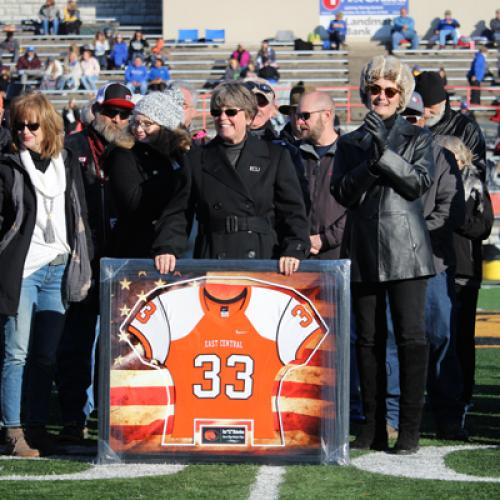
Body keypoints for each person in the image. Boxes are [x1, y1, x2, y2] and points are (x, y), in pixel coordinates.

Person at [331, 55, 435, 454]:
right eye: (375, 89)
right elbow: (341, 192)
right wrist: (373, 158)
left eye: (390, 90)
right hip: (364, 248)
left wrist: (382, 151)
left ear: (402, 94)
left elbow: (417, 184)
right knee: (368, 340)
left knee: (411, 337)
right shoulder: (349, 141)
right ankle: (373, 425)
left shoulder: (418, 136)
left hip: (407, 249)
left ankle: (409, 427)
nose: (382, 96)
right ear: (365, 93)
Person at [0, 92, 91, 456]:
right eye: (18, 124)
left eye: (32, 125)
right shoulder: (7, 164)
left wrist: (83, 259)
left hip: (58, 266)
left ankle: (35, 425)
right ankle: (12, 430)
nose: (24, 131)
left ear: (48, 126)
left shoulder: (65, 162)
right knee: (16, 352)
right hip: (22, 269)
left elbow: (79, 213)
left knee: (45, 355)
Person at [153, 81, 310, 276]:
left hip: (263, 260)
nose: (222, 118)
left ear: (249, 116)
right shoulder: (196, 158)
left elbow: (293, 211)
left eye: (231, 112)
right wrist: (167, 248)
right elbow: (178, 211)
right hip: (212, 258)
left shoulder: (275, 156)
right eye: (216, 112)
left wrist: (294, 248)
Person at [385, 92, 467, 441]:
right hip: (389, 262)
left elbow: (452, 211)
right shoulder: (382, 155)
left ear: (426, 119)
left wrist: (408, 229)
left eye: (417, 116)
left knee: (440, 336)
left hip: (431, 262)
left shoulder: (443, 157)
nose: (412, 121)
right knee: (391, 338)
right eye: (406, 116)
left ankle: (448, 415)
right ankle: (390, 416)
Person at [57, 83, 135, 442]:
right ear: (96, 110)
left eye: (123, 113)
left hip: (122, 261)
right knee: (76, 341)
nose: (117, 119)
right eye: (110, 112)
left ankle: (110, 415)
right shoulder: (71, 148)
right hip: (82, 258)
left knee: (119, 344)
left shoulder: (135, 149)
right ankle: (73, 416)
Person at [434, 135, 494, 425]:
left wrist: (453, 217)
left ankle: (464, 396)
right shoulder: (431, 183)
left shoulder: (475, 187)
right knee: (436, 336)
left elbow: (482, 227)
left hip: (464, 271)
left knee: (461, 338)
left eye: (452, 159)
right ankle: (438, 395)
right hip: (435, 266)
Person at [104, 90, 189, 257]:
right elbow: (132, 203)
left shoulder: (179, 154)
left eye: (147, 124)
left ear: (165, 126)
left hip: (176, 241)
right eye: (135, 122)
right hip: (137, 245)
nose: (139, 129)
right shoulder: (123, 153)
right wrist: (173, 179)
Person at [290, 91, 346, 259]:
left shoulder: (351, 154)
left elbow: (359, 208)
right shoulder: (291, 155)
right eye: (298, 116)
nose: (299, 122)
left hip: (340, 257)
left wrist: (326, 239)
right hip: (297, 257)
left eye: (305, 116)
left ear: (327, 115)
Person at [415, 71, 487, 180]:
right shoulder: (408, 123)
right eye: (421, 106)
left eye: (430, 106)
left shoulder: (466, 127)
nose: (425, 112)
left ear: (443, 102)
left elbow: (478, 171)